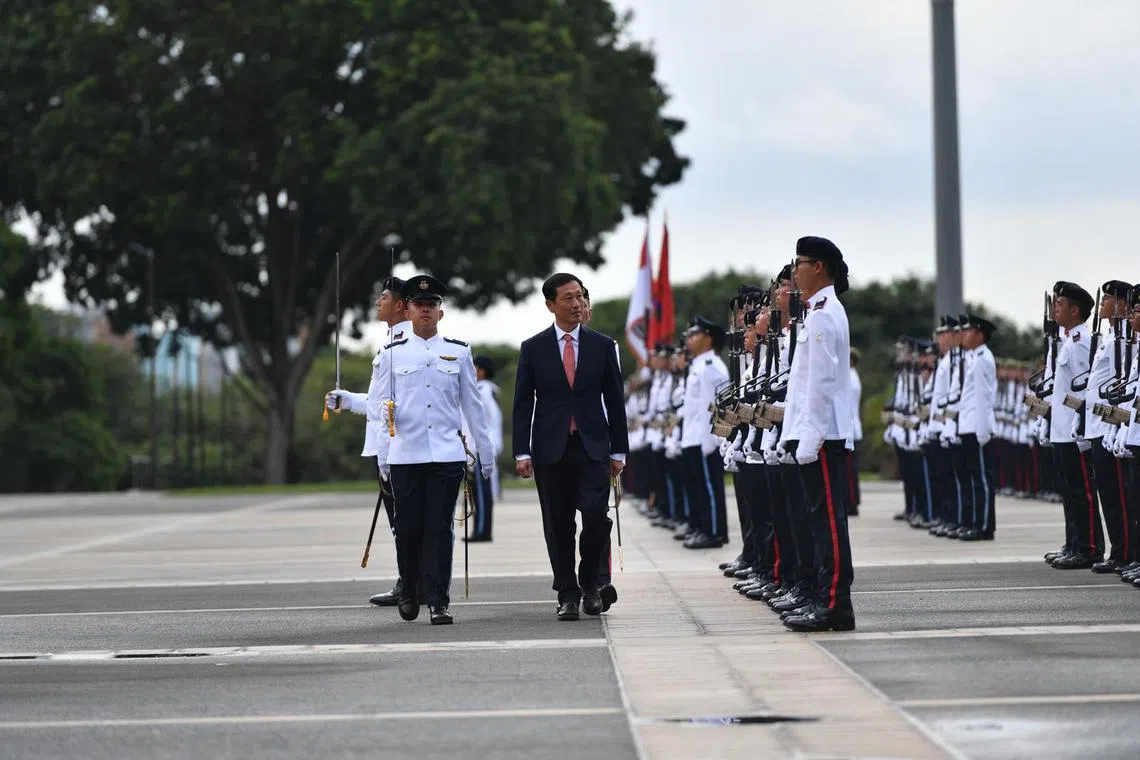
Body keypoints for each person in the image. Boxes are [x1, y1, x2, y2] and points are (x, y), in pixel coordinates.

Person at [374, 274, 496, 625]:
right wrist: (383, 454)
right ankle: (410, 588)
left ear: (440, 313)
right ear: (408, 311)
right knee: (408, 527)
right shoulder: (391, 354)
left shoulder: (458, 351)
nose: (425, 311)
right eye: (419, 305)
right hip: (406, 454)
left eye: (432, 306)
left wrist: (485, 455)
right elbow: (381, 408)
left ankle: (438, 600)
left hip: (446, 454)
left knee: (440, 529)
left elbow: (473, 407)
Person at [512, 272, 628, 621]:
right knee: (558, 523)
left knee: (595, 515)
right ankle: (567, 592)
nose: (577, 304)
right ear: (551, 305)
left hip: (592, 446)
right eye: (568, 298)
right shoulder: (533, 348)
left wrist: (618, 451)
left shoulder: (602, 345)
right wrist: (522, 451)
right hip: (550, 448)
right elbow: (522, 403)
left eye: (579, 296)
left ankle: (591, 583)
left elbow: (616, 401)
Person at [778, 236, 856, 632]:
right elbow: (801, 385)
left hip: (824, 435)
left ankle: (835, 606)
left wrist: (811, 436)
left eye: (801, 263)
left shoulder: (825, 313)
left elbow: (823, 383)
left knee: (828, 522)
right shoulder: (815, 312)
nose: (795, 271)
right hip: (813, 432)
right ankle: (822, 599)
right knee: (816, 522)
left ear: (819, 267)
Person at [325, 277, 415, 607]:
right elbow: (379, 404)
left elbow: (399, 407)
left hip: (398, 449)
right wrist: (347, 400)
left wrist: (388, 455)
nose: (378, 302)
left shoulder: (403, 346)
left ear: (402, 305)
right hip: (386, 448)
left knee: (406, 523)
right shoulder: (390, 343)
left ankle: (414, 584)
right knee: (400, 523)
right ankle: (411, 580)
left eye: (385, 297)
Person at [1043, 281, 1103, 569]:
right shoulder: (1068, 340)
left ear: (1075, 310)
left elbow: (1081, 391)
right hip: (1061, 428)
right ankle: (1074, 543)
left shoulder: (1082, 343)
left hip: (1072, 429)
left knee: (1082, 493)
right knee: (1069, 492)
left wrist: (1080, 426)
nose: (1056, 307)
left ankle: (1089, 548)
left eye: (1061, 303)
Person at [956, 313, 998, 540]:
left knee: (981, 479)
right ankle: (975, 522)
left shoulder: (983, 358)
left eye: (969, 330)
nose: (964, 334)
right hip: (969, 424)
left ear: (980, 334)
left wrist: (982, 431)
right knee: (973, 478)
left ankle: (984, 526)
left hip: (977, 427)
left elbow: (984, 397)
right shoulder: (974, 357)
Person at [462, 355, 502, 542]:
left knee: (481, 492)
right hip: (476, 447)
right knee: (476, 492)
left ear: (482, 371)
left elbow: (485, 420)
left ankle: (482, 531)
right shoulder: (485, 390)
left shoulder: (482, 391)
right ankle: (479, 529)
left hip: (480, 448)